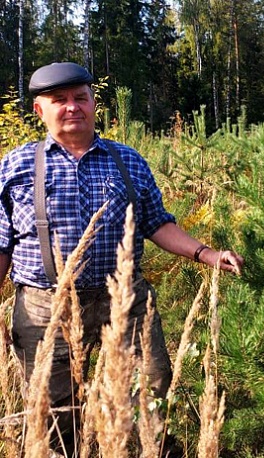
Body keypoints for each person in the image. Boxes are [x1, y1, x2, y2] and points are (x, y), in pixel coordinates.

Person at [0, 62, 243, 455]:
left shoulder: (127, 160)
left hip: (125, 301)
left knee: (148, 393)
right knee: (55, 417)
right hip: (46, 307)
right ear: (39, 110)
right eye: (59, 100)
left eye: (81, 98)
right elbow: (1, 244)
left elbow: (157, 223)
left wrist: (206, 253)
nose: (72, 107)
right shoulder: (15, 166)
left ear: (95, 103)